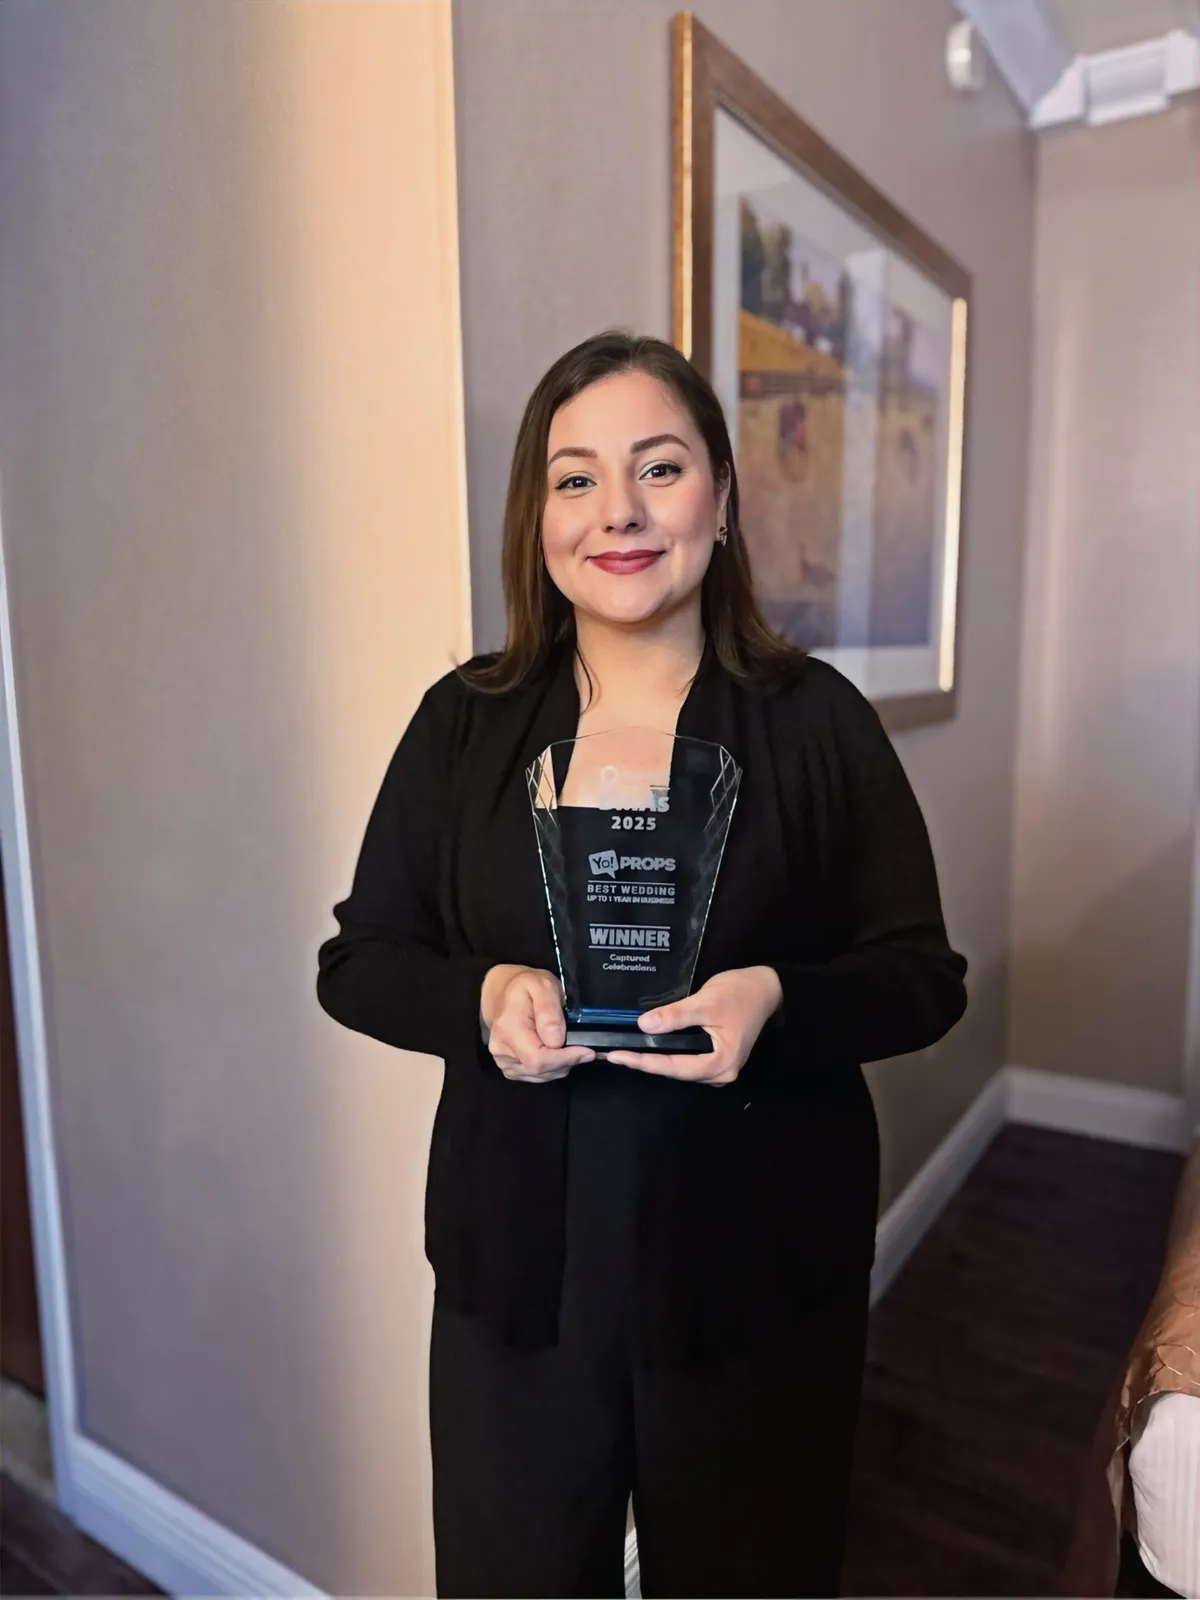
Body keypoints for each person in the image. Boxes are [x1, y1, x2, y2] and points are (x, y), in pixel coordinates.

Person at [316, 331, 968, 1598]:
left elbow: (920, 974)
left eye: (658, 469)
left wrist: (780, 999)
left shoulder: (814, 723)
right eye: (575, 478)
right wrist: (484, 996)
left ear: (720, 496)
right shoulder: (466, 722)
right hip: (520, 1282)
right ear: (538, 515)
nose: (617, 510)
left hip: (760, 1279)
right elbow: (362, 960)